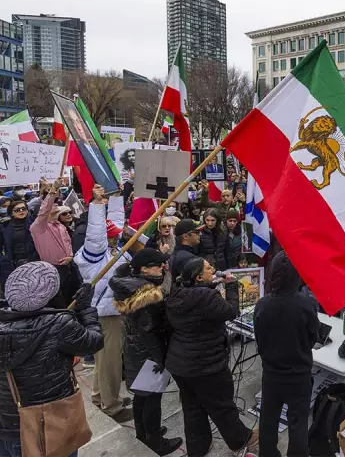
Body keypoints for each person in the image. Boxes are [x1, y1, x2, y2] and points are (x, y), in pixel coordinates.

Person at [0, 262, 103, 457]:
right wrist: (86, 309)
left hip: (7, 426)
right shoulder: (58, 324)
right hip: (51, 425)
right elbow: (93, 343)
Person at [165, 257, 258, 457]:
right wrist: (232, 286)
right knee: (222, 405)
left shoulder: (177, 293)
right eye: (209, 268)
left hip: (180, 364)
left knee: (193, 408)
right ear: (199, 277)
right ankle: (241, 440)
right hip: (205, 365)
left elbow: (199, 306)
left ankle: (198, 448)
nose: (213, 269)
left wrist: (213, 284)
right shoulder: (207, 297)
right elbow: (232, 311)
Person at [109, 249, 183, 455]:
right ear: (143, 269)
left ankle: (142, 433)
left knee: (141, 396)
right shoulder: (147, 295)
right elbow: (150, 331)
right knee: (152, 398)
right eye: (157, 265)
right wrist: (161, 358)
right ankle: (155, 441)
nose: (162, 268)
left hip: (135, 349)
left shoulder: (129, 284)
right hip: (149, 353)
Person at [73, 184, 133, 422]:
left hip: (110, 311)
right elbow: (96, 234)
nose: (118, 236)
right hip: (105, 315)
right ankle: (112, 406)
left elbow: (113, 224)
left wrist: (116, 198)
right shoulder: (94, 253)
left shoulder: (111, 250)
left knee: (103, 361)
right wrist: (97, 205)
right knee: (110, 363)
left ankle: (101, 397)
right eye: (113, 235)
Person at [254, 252, 319, 457]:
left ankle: (268, 453)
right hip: (298, 374)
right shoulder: (306, 304)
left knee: (268, 419)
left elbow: (259, 339)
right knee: (297, 423)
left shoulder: (262, 304)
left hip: (272, 374)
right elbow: (312, 337)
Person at [29, 177, 81, 307]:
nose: (57, 204)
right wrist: (52, 191)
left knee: (71, 298)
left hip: (69, 267)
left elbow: (68, 244)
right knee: (58, 302)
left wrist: (70, 256)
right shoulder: (38, 228)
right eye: (54, 203)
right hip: (52, 270)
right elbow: (44, 210)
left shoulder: (61, 225)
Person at [0, 200, 38, 291]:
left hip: (34, 261)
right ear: (11, 213)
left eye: (23, 209)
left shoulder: (34, 223)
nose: (21, 211)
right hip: (14, 264)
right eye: (17, 210)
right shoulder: (4, 227)